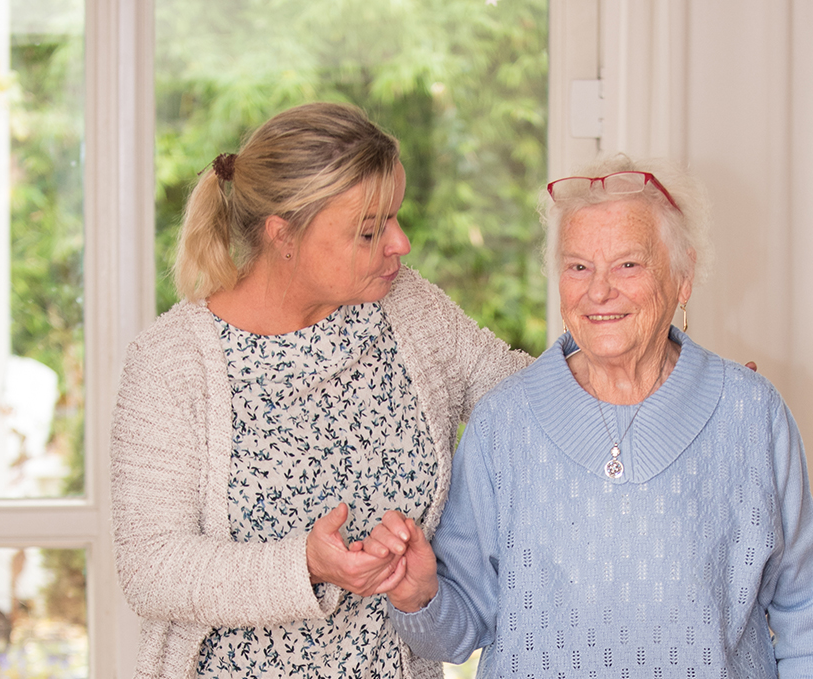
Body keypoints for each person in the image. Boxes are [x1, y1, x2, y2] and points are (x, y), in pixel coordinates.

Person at [371, 154, 813, 677]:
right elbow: (457, 633)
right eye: (579, 266)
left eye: (628, 264)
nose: (599, 291)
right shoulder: (502, 424)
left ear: (682, 277)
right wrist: (419, 595)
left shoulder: (752, 414)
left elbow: (807, 615)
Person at [109, 102, 531, 679]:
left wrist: (620, 339)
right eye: (370, 230)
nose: (400, 244)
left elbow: (523, 403)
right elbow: (152, 568)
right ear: (284, 234)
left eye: (395, 218)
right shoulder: (173, 361)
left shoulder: (407, 309)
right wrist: (305, 565)